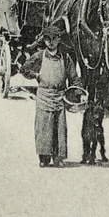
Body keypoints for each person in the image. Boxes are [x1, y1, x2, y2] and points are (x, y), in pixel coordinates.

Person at [27, 26, 75, 167]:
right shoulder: (39, 56)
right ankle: (44, 158)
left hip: (59, 97)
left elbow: (74, 77)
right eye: (48, 39)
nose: (51, 42)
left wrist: (78, 94)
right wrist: (36, 75)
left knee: (59, 128)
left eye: (54, 39)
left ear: (59, 39)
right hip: (44, 96)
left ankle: (58, 158)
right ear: (44, 40)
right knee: (44, 127)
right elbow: (25, 69)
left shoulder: (65, 58)